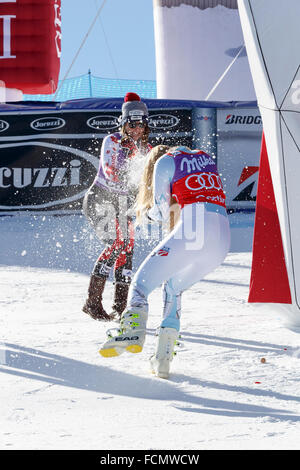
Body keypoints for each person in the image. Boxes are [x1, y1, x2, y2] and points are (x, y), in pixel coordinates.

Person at [99, 144, 231, 379]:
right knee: (173, 287)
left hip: (194, 230)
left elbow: (161, 211)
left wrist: (144, 214)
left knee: (140, 286)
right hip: (221, 240)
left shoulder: (165, 162)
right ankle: (163, 358)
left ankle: (132, 331)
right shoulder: (205, 157)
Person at [82, 92, 152, 321]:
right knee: (117, 243)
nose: (137, 129)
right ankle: (92, 302)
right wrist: (131, 160)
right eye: (132, 124)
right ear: (123, 124)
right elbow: (112, 172)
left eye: (141, 125)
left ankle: (121, 307)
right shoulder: (111, 141)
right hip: (101, 198)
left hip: (123, 205)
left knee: (127, 249)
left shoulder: (146, 148)